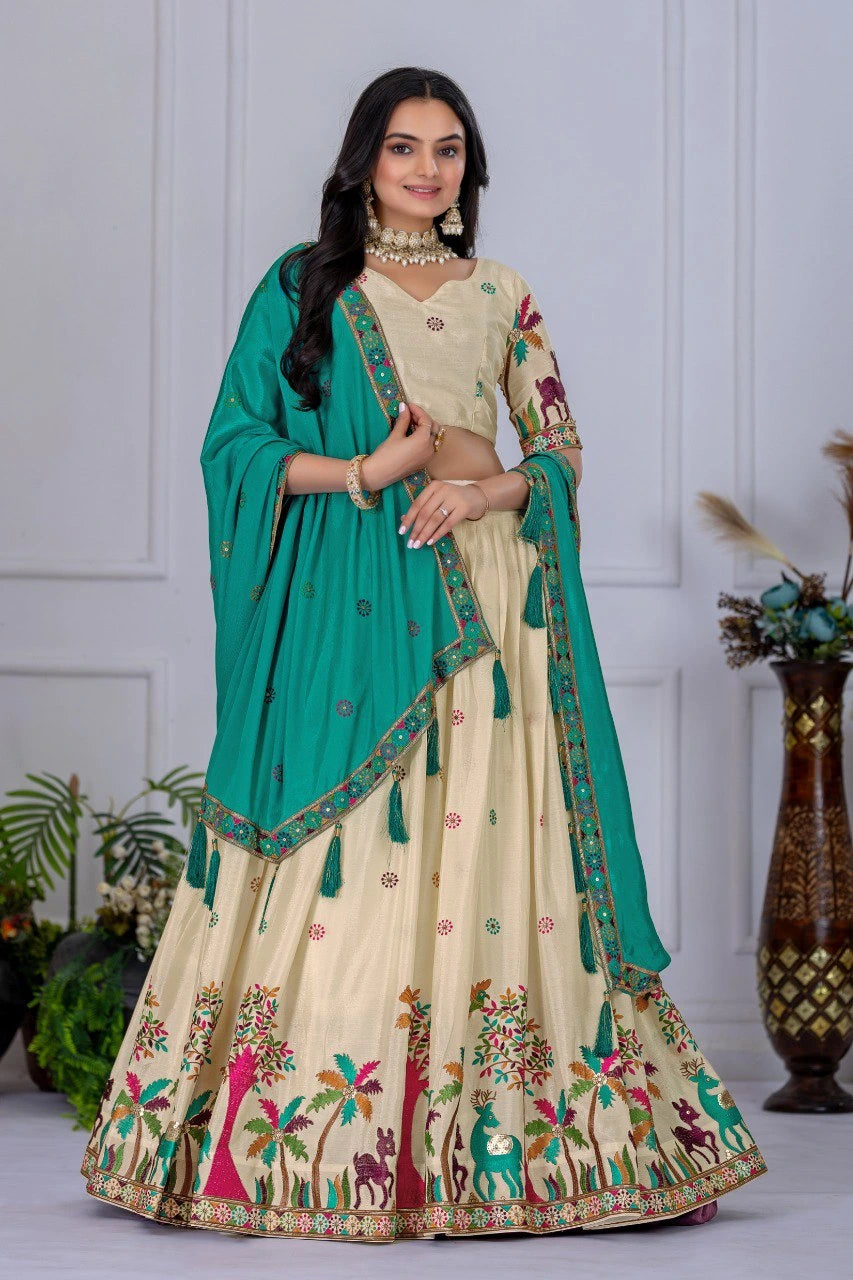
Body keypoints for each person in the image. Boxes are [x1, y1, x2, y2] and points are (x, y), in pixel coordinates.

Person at [80, 67, 768, 1243]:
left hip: (491, 594)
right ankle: (320, 1142)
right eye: (405, 146)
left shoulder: (502, 292)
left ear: (467, 170)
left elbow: (559, 446)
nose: (427, 168)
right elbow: (234, 445)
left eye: (448, 149)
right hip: (360, 588)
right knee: (358, 845)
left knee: (493, 842)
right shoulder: (306, 287)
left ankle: (511, 1140)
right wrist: (371, 471)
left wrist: (491, 489)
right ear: (364, 160)